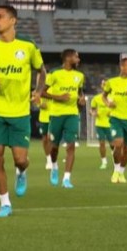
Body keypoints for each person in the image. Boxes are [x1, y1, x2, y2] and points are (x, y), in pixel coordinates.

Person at [0, 5, 46, 217]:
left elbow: (41, 71)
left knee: (20, 159)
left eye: (0, 17)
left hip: (20, 112)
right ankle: (5, 204)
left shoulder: (27, 46)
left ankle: (22, 171)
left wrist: (38, 91)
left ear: (12, 20)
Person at [41, 49, 86, 189]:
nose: (78, 60)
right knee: (54, 147)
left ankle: (66, 178)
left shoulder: (79, 76)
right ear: (68, 58)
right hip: (56, 115)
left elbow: (80, 93)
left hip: (72, 114)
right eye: (76, 57)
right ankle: (54, 166)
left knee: (71, 145)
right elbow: (42, 92)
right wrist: (59, 97)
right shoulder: (54, 74)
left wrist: (81, 102)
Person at [89, 80, 113, 170]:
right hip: (99, 124)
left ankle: (116, 159)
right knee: (101, 143)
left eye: (106, 84)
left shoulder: (112, 97)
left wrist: (112, 114)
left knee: (113, 144)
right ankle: (104, 162)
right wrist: (93, 113)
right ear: (101, 86)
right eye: (103, 84)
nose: (104, 85)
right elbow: (92, 110)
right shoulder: (96, 98)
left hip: (111, 124)